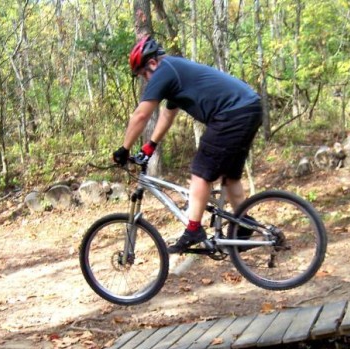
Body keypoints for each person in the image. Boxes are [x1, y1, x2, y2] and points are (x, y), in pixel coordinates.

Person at [112, 36, 262, 254]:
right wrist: (150, 145)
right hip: (249, 108)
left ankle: (193, 230)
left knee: (201, 173)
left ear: (152, 63)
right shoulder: (176, 71)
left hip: (232, 114)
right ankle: (244, 224)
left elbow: (141, 115)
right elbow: (167, 114)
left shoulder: (165, 71)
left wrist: (124, 149)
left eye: (143, 73)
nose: (145, 79)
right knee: (229, 176)